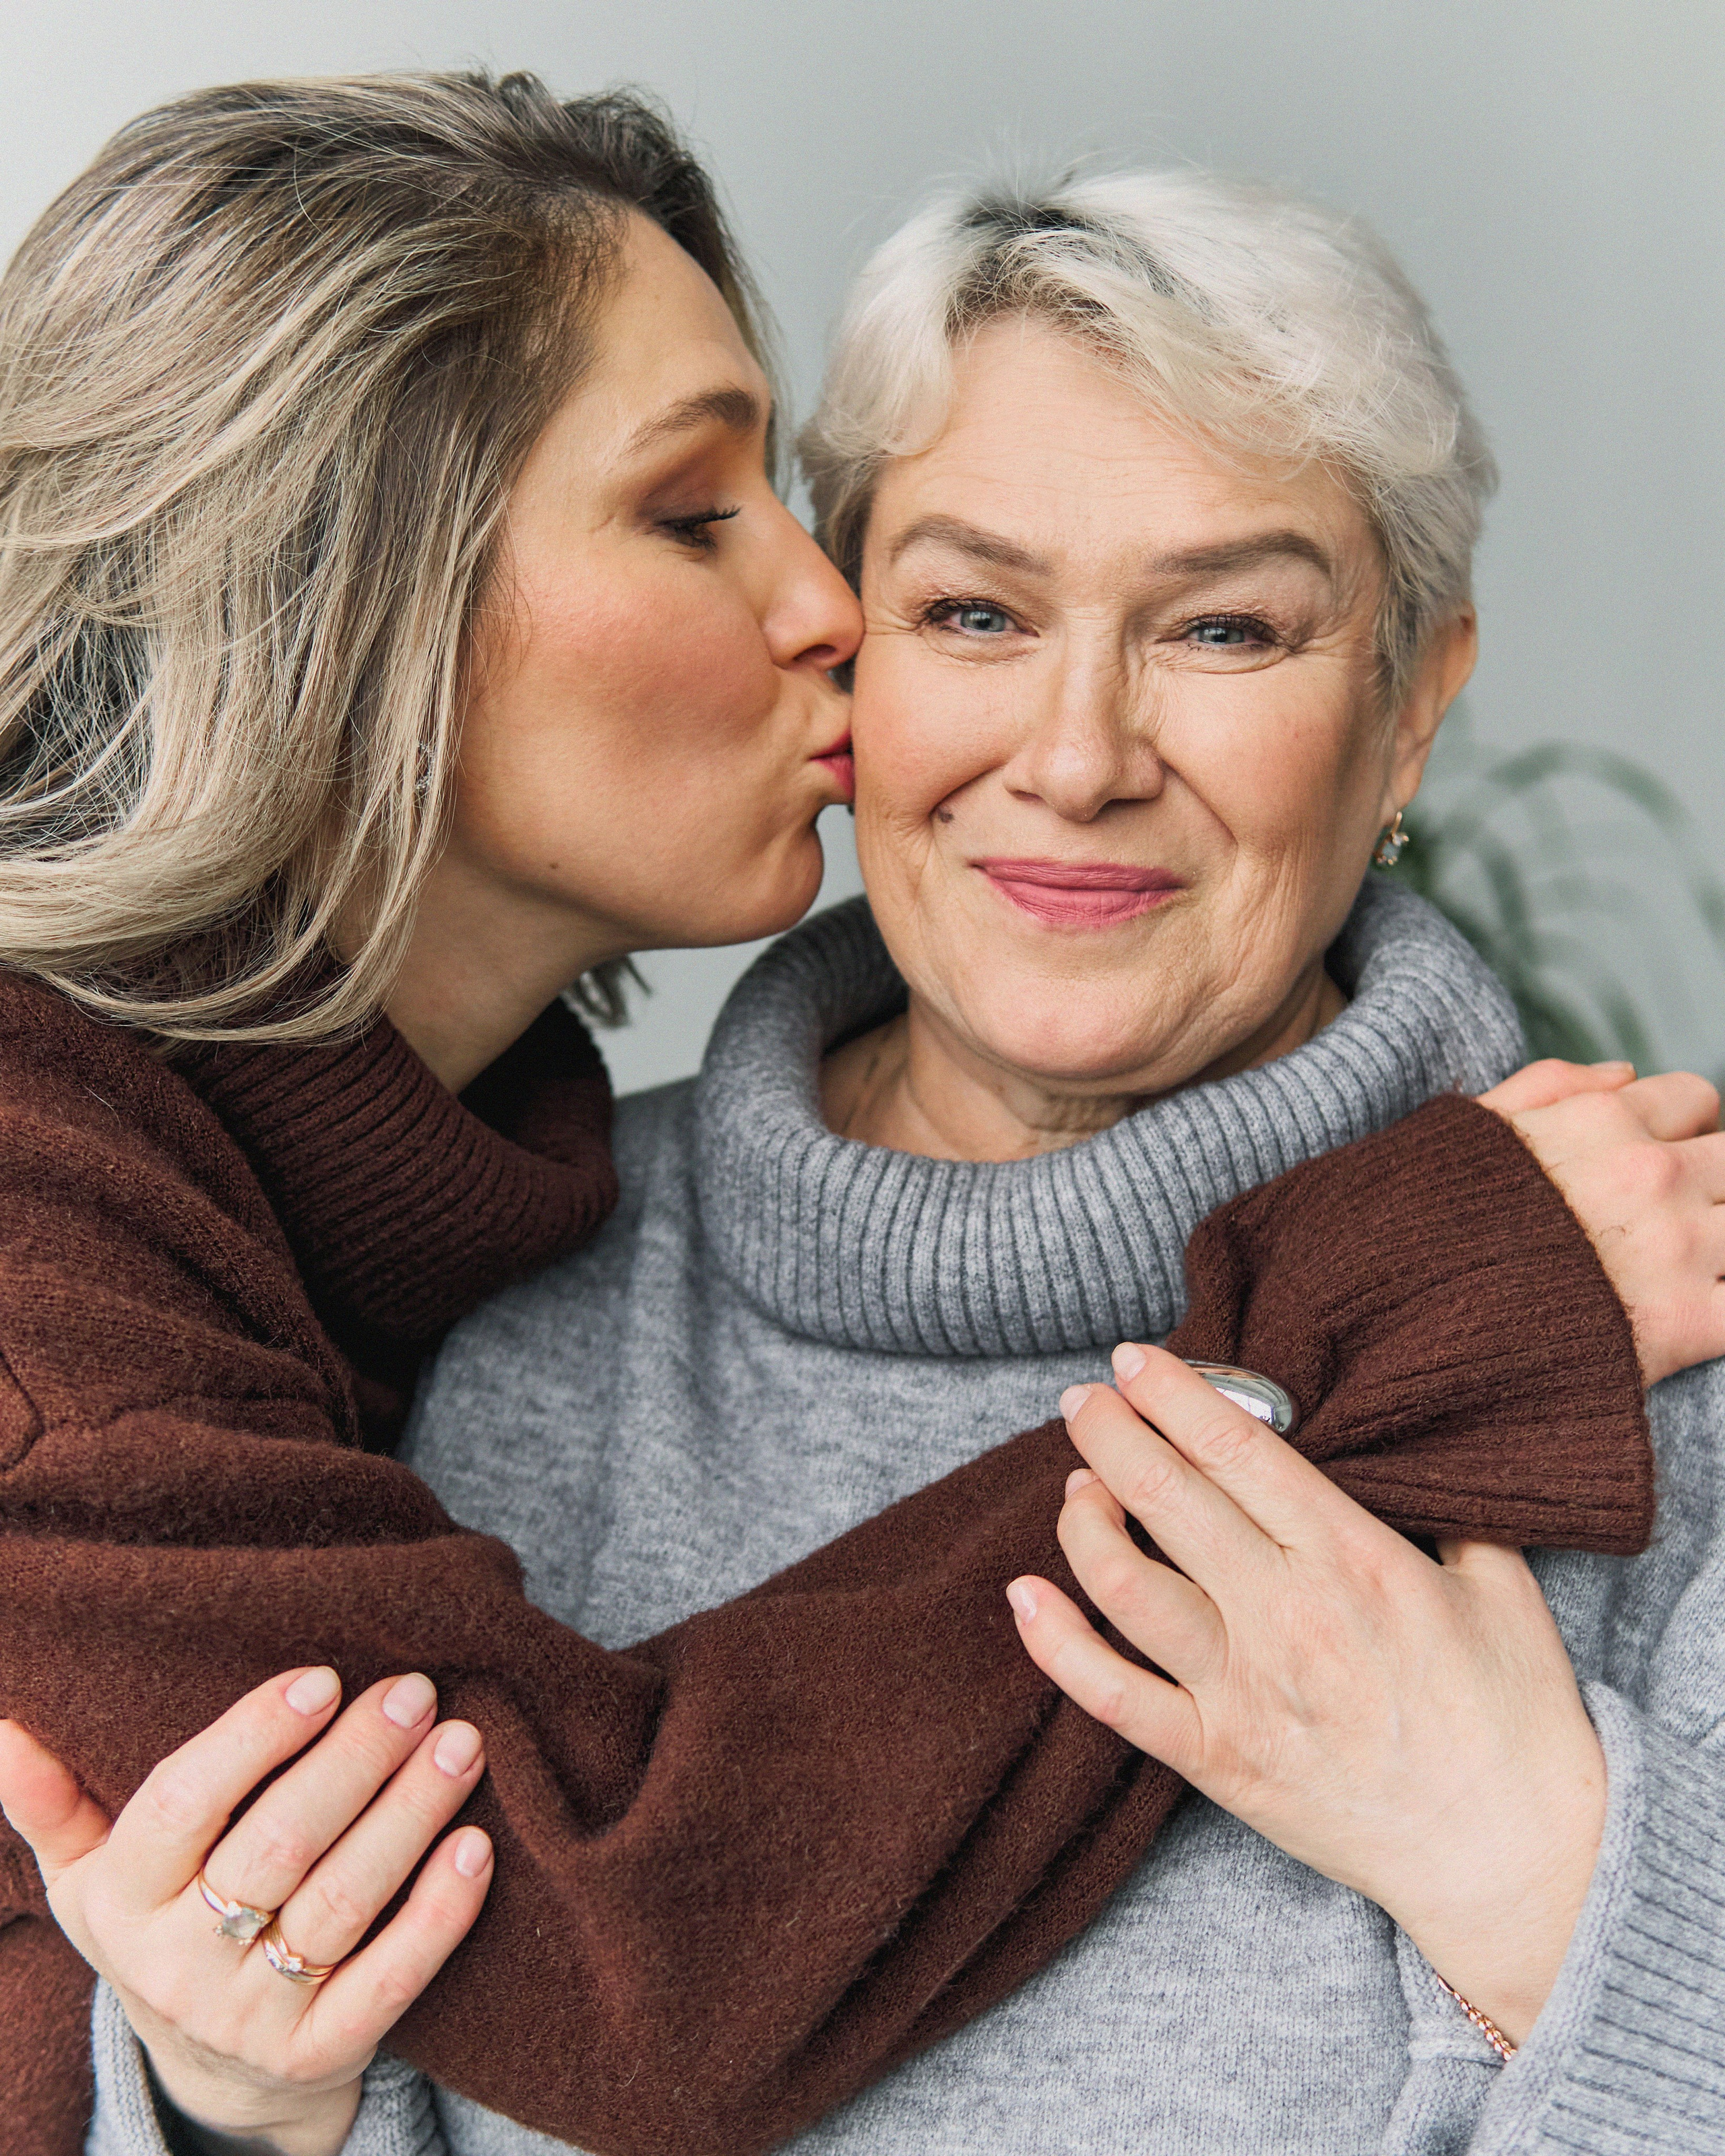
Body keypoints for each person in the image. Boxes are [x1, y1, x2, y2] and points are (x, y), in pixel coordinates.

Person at [1, 70, 1696, 2156]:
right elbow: (603, 1951)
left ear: (1414, 701)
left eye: (1228, 627)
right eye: (970, 608)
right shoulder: (462, 1351)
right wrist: (228, 2119)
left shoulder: (1670, 1309)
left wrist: (1569, 1908)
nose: (1076, 754)